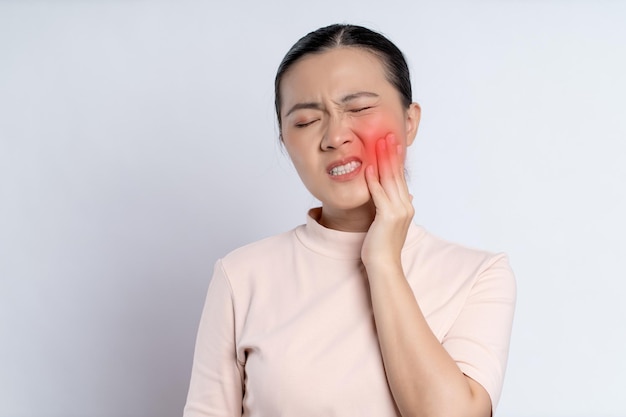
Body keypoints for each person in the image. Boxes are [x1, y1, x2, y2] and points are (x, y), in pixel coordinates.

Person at [183, 24, 516, 417]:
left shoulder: (477, 275)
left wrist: (384, 263)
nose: (335, 136)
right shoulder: (240, 276)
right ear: (285, 142)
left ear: (410, 122)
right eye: (305, 121)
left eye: (358, 109)